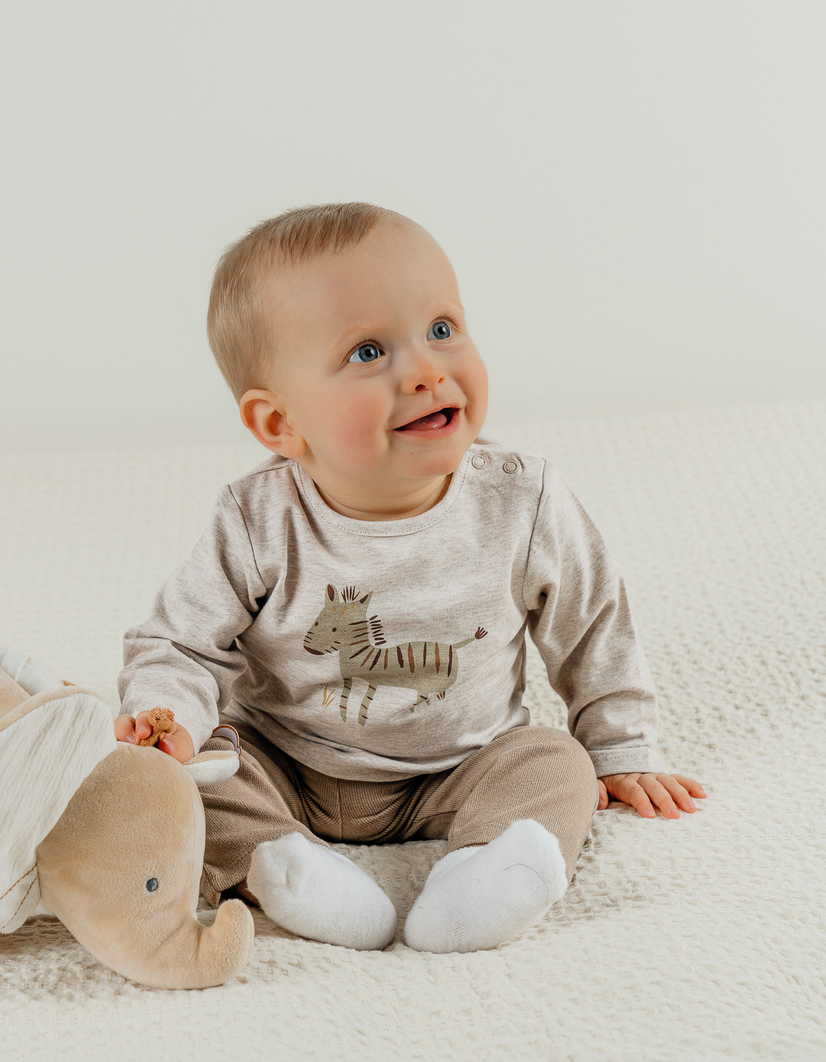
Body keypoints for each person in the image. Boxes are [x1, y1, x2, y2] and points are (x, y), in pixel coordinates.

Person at [115, 202, 708, 954]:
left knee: (559, 763)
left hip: (463, 767)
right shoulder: (257, 518)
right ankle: (281, 864)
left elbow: (593, 625)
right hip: (287, 765)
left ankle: (490, 871)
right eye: (368, 352)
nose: (428, 370)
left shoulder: (521, 500)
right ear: (279, 423)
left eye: (442, 329)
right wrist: (167, 718)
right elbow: (180, 643)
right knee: (192, 778)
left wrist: (621, 748)